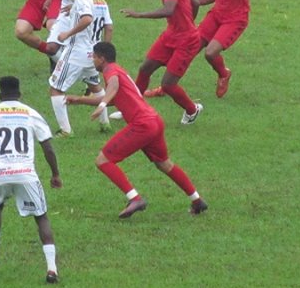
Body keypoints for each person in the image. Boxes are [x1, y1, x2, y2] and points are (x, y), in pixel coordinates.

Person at [66, 42, 208, 219]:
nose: (92, 60)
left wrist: (101, 106)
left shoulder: (111, 71)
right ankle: (197, 200)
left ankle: (135, 199)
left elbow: (113, 87)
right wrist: (79, 100)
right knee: (164, 163)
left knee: (103, 160)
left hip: (142, 125)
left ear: (102, 58)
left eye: (94, 57)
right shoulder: (117, 70)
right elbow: (112, 97)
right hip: (154, 121)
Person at [0, 76, 62, 284]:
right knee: (41, 217)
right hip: (26, 173)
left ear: (0, 94)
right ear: (20, 94)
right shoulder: (30, 113)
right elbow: (48, 147)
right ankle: (52, 269)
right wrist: (55, 174)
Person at [121, 0, 203, 125]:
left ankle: (192, 110)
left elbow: (168, 10)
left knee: (168, 85)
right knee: (145, 68)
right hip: (172, 34)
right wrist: (188, 22)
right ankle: (134, 108)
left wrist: (139, 15)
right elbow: (195, 2)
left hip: (186, 41)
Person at [48, 0, 113, 137]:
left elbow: (86, 19)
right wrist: (105, 52)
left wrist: (66, 34)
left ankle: (65, 131)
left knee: (56, 88)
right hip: (94, 54)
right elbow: (109, 27)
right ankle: (105, 124)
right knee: (94, 85)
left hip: (76, 52)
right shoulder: (100, 0)